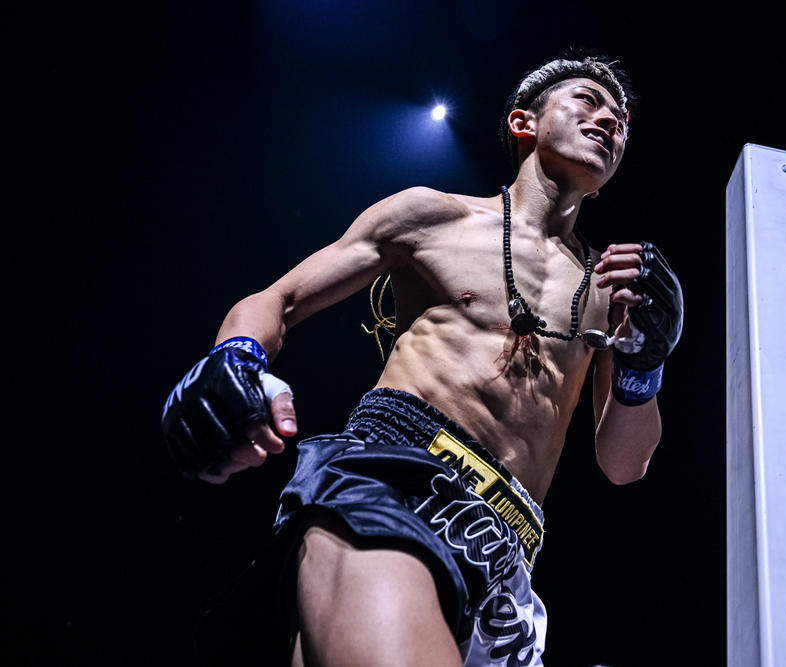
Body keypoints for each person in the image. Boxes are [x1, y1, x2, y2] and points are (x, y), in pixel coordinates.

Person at [162, 52, 683, 667]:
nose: (610, 121)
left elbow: (624, 464)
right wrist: (237, 357)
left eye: (620, 120)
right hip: (392, 477)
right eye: (587, 101)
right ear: (524, 122)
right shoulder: (434, 215)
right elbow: (281, 299)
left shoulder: (610, 289)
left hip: (507, 547)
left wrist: (647, 361)